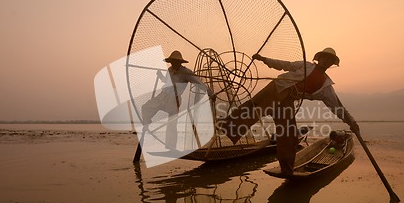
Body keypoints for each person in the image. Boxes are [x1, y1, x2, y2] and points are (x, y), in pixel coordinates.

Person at [219, 47, 358, 174]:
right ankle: (227, 128)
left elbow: (338, 107)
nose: (325, 61)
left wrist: (351, 122)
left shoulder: (326, 87)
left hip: (287, 101)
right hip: (277, 88)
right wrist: (264, 59)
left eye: (329, 60)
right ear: (319, 58)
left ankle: (287, 168)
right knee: (253, 108)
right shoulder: (306, 66)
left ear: (331, 64)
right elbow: (284, 65)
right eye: (324, 57)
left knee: (289, 133)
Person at [141, 50, 214, 150]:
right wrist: (160, 76)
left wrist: (210, 93)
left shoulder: (186, 72)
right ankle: (147, 121)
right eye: (172, 62)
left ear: (180, 62)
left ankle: (170, 147)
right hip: (163, 96)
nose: (173, 64)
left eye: (175, 62)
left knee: (171, 124)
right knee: (146, 107)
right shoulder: (170, 70)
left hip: (174, 99)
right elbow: (166, 82)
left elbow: (198, 83)